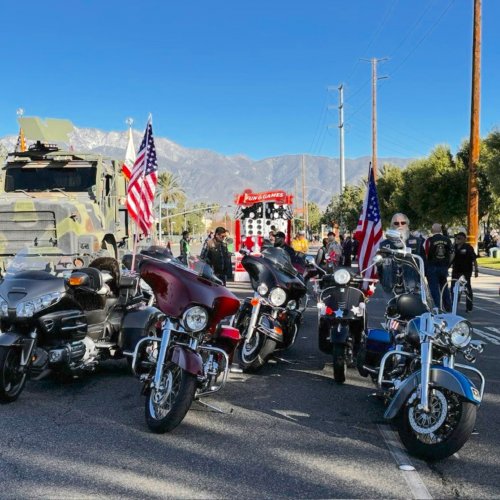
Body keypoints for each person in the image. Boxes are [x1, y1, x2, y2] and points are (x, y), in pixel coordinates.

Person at [377, 213, 427, 295]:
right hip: (391, 287)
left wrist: (420, 283)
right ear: (392, 225)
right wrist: (384, 282)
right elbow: (380, 267)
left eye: (403, 223)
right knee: (391, 307)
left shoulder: (417, 242)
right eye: (396, 223)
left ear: (407, 224)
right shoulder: (384, 245)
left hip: (412, 287)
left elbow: (424, 263)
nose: (400, 225)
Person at [425, 223, 453, 311]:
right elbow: (452, 253)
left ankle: (437, 307)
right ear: (440, 230)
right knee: (444, 287)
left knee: (434, 288)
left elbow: (426, 253)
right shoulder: (447, 240)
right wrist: (448, 264)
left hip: (432, 266)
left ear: (432, 230)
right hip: (443, 267)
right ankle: (448, 306)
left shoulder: (429, 240)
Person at [451, 232, 478, 312]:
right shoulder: (454, 247)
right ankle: (452, 306)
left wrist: (476, 270)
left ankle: (469, 307)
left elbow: (474, 259)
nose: (457, 240)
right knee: (453, 288)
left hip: (465, 272)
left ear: (464, 239)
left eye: (459, 238)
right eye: (456, 238)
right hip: (456, 271)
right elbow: (451, 259)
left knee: (467, 289)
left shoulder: (468, 247)